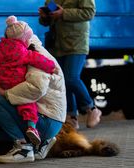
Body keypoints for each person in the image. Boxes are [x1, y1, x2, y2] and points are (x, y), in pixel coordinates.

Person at [0, 28, 67, 163]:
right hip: (44, 116)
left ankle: (24, 149)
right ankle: (40, 142)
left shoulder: (36, 56)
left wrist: (6, 93)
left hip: (47, 118)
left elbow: (37, 88)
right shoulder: (27, 50)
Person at [0, 15, 57, 146]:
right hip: (15, 83)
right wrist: (52, 67)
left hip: (2, 82)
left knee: (1, 101)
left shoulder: (2, 48)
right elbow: (38, 59)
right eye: (27, 38)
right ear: (23, 39)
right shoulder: (22, 52)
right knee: (27, 104)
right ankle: (32, 128)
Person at [38, 0, 102, 129]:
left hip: (76, 43)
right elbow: (48, 20)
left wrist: (64, 13)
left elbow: (89, 12)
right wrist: (45, 17)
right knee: (62, 81)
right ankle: (71, 117)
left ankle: (92, 108)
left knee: (71, 78)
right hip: (56, 44)